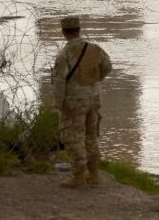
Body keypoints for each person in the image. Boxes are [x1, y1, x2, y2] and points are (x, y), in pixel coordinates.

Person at [51, 16, 113, 188]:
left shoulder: (64, 54)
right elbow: (108, 66)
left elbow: (59, 82)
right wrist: (96, 80)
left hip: (74, 102)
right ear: (79, 29)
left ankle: (79, 176)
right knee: (91, 136)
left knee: (73, 137)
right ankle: (94, 174)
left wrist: (58, 104)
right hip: (94, 99)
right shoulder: (94, 49)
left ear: (64, 32)